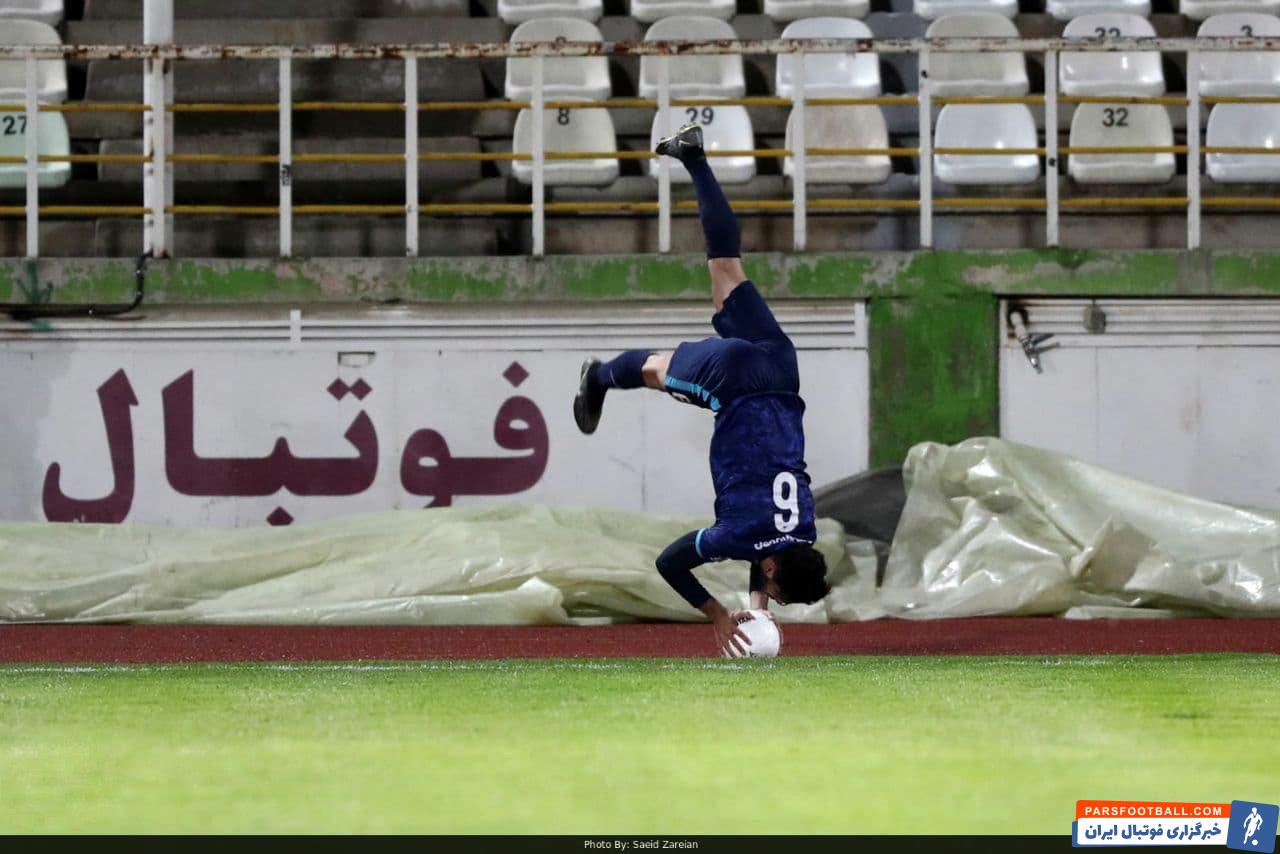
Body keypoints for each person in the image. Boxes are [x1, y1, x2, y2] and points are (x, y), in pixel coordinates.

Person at [572, 123, 830, 656]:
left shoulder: (803, 525)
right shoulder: (738, 541)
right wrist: (716, 614)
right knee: (654, 370)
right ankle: (597, 376)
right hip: (732, 383)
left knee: (726, 268)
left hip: (782, 371)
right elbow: (670, 562)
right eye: (778, 594)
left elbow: (768, 550)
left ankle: (693, 157)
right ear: (776, 567)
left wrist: (757, 609)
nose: (774, 599)